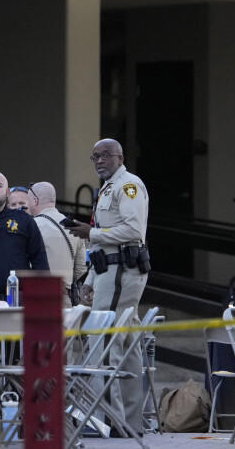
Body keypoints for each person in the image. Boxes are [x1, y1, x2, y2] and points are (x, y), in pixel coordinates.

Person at [65, 138, 150, 436]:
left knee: (108, 341)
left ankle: (110, 420)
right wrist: (90, 279)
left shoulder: (129, 185)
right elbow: (104, 243)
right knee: (125, 344)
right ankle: (127, 419)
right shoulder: (108, 188)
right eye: (95, 157)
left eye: (105, 156)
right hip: (108, 271)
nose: (99, 161)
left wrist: (92, 232)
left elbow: (133, 230)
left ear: (120, 157)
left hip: (122, 272)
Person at [26, 181, 87, 306]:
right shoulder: (74, 226)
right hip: (65, 299)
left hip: (38, 298)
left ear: (35, 201)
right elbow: (81, 269)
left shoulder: (31, 226)